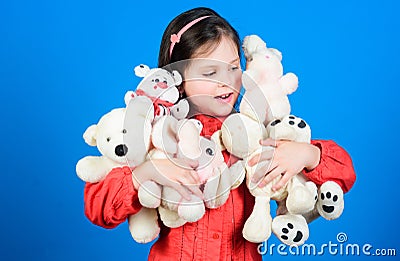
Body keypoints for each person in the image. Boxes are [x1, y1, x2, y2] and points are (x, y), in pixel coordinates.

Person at [84, 7, 356, 261]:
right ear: (177, 79)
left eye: (234, 68)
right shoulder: (156, 135)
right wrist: (147, 172)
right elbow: (97, 207)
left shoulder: (256, 130)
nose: (225, 81)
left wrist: (307, 154)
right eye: (209, 72)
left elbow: (344, 172)